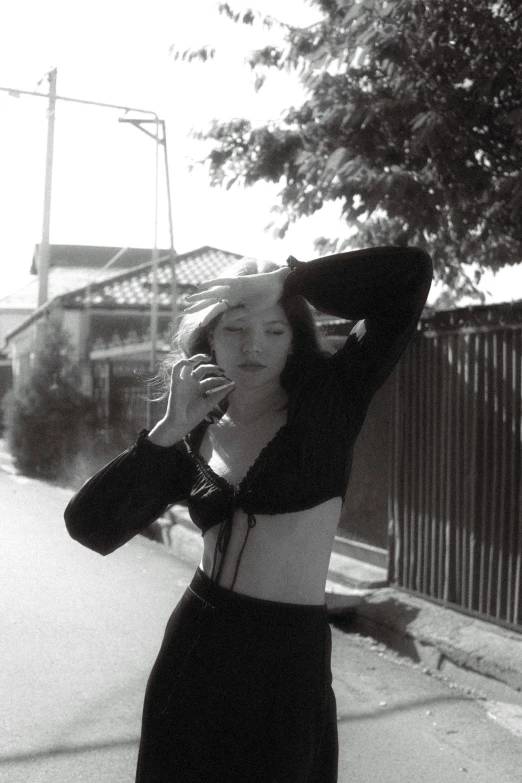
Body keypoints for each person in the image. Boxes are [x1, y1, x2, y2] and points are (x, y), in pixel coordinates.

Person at [64, 245, 432, 782]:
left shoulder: (333, 401)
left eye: (274, 330)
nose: (253, 345)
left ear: (294, 341)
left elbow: (408, 276)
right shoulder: (192, 433)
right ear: (208, 339)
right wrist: (165, 432)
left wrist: (289, 281)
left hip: (287, 657)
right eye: (234, 329)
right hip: (196, 645)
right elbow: (89, 527)